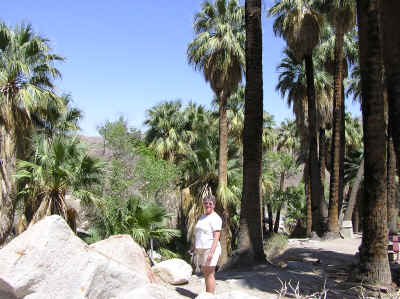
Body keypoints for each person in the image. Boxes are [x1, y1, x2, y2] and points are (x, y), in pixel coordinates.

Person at [192, 195, 222, 294]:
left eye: (210, 203)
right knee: (205, 273)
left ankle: (210, 296)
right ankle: (207, 294)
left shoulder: (215, 218)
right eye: (205, 203)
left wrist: (211, 253)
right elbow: (198, 233)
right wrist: (194, 246)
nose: (207, 205)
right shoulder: (202, 216)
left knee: (209, 273)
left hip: (210, 249)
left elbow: (216, 236)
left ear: (214, 205)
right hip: (201, 249)